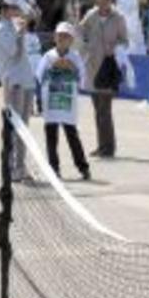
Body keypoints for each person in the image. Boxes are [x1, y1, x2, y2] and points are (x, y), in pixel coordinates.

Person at [36, 22, 91, 181]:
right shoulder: (48, 56)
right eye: (59, 36)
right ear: (54, 38)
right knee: (51, 138)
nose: (62, 39)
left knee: (72, 136)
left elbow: (83, 78)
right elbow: (39, 77)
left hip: (68, 104)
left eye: (66, 37)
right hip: (51, 103)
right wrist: (52, 67)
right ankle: (53, 169)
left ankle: (83, 167)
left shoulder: (75, 57)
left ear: (71, 40)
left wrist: (71, 68)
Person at [79, 0, 128, 158]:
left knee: (105, 110)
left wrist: (114, 48)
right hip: (93, 67)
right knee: (98, 110)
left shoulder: (118, 18)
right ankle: (102, 145)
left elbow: (125, 40)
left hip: (108, 67)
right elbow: (80, 33)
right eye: (98, 2)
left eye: (104, 2)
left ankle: (109, 147)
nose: (101, 6)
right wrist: (84, 46)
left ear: (110, 0)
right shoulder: (90, 16)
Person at [0, 0, 36, 181]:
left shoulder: (13, 26)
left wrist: (22, 29)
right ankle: (12, 167)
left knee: (24, 127)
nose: (20, 13)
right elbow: (14, 53)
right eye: (17, 9)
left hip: (25, 80)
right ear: (7, 8)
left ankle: (21, 166)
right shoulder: (2, 28)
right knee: (15, 127)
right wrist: (21, 33)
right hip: (14, 83)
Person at [25, 19, 43, 114]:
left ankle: (30, 107)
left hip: (29, 59)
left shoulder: (25, 36)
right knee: (38, 84)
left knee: (29, 84)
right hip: (38, 59)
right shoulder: (36, 36)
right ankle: (40, 106)